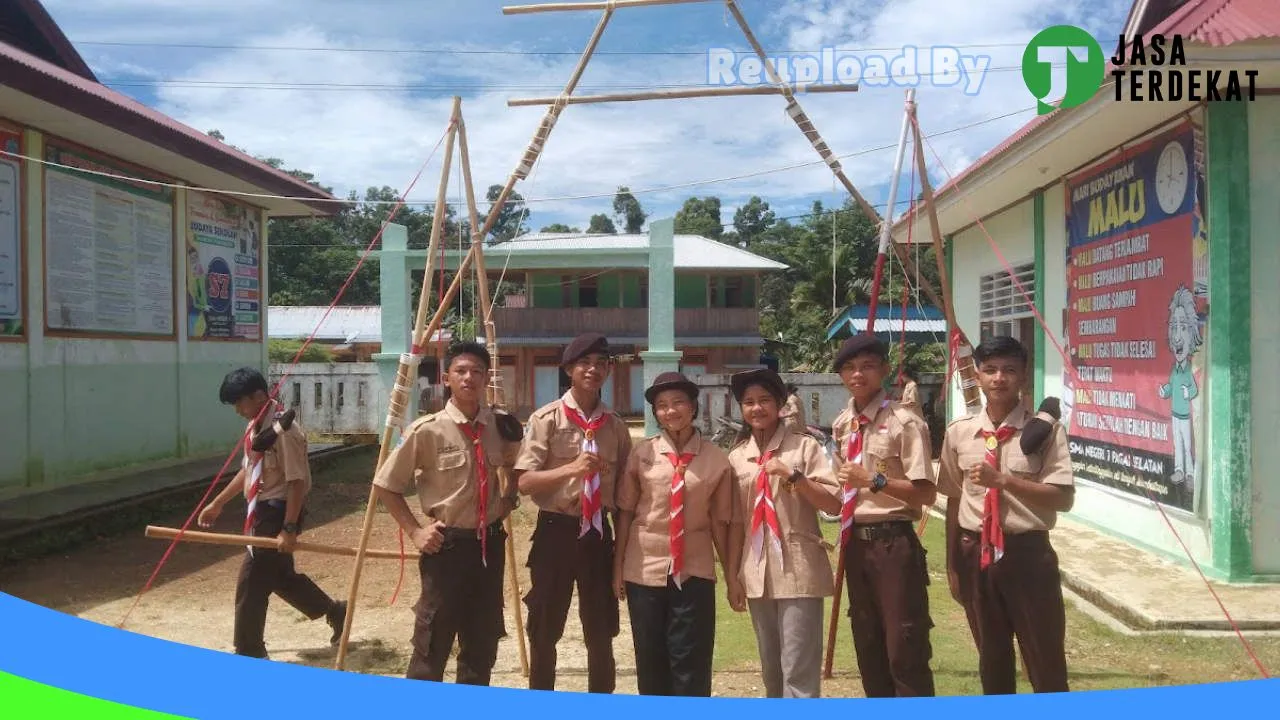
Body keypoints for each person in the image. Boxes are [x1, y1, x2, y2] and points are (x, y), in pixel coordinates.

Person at [371, 341, 522, 685]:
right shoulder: (428, 430)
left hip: (490, 546)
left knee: (481, 642)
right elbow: (386, 484)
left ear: (486, 378)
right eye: (461, 371)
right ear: (447, 378)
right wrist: (415, 532)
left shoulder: (501, 427)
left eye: (477, 372)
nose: (469, 378)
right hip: (447, 548)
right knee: (432, 642)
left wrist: (509, 496)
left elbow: (518, 465)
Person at [937, 336, 1074, 695]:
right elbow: (953, 499)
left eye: (1009, 370)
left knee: (1044, 659)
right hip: (975, 554)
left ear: (1024, 377)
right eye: (991, 370)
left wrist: (1004, 481)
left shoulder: (1046, 433)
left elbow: (1063, 498)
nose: (999, 378)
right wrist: (953, 565)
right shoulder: (960, 433)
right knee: (992, 659)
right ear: (978, 376)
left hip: (1027, 555)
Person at [198, 367, 347, 659]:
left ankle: (250, 651)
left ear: (258, 396)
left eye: (240, 403)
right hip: (262, 509)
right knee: (280, 577)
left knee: (251, 583)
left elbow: (296, 482)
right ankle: (335, 611)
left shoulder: (285, 431)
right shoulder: (255, 427)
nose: (238, 410)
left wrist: (289, 528)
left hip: (279, 513)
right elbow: (248, 470)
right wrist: (218, 502)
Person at [513, 332, 632, 693]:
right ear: (568, 370)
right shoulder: (545, 419)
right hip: (556, 531)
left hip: (598, 533)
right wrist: (571, 470)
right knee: (545, 626)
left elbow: (626, 492)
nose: (593, 370)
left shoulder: (615, 427)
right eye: (584, 363)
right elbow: (525, 482)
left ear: (609, 371)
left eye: (601, 364)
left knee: (601, 627)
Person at [614, 371, 736, 696]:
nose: (671, 411)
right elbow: (625, 513)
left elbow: (720, 524)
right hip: (644, 571)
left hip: (694, 572)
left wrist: (731, 578)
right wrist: (618, 571)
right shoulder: (642, 455)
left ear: (693, 406)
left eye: (678, 402)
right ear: (655, 413)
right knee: (650, 661)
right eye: (662, 405)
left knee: (691, 663)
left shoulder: (716, 460)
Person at [829, 334, 938, 698]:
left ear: (885, 371)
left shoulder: (905, 423)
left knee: (903, 648)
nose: (857, 374)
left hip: (893, 544)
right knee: (868, 646)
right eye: (849, 367)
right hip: (855, 547)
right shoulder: (844, 425)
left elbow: (925, 493)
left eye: (867, 366)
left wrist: (874, 480)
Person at [724, 368, 842, 698]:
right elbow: (735, 523)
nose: (757, 408)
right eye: (748, 402)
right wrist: (733, 576)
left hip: (798, 568)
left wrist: (794, 477)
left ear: (780, 405)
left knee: (799, 673)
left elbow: (834, 504)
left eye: (764, 400)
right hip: (756, 570)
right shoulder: (736, 458)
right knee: (771, 673)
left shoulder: (804, 449)